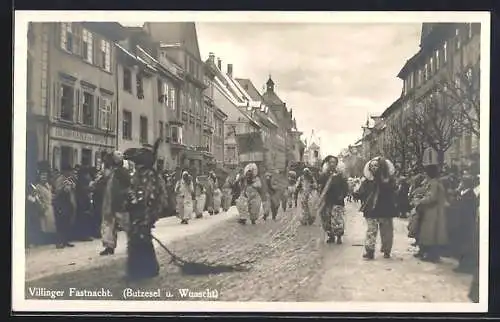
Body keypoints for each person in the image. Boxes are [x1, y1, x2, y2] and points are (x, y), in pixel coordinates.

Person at [123, 142, 164, 280]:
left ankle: (145, 269)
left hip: (143, 213)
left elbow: (149, 196)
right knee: (138, 239)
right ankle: (140, 268)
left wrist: (144, 211)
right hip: (137, 213)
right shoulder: (139, 174)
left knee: (141, 239)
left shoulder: (148, 175)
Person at [355, 156, 398, 259]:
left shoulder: (388, 180)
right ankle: (370, 251)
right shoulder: (367, 181)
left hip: (385, 208)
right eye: (372, 166)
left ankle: (387, 250)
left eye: (376, 166)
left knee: (386, 231)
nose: (374, 168)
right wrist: (356, 193)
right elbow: (361, 193)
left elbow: (393, 191)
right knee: (371, 230)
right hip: (371, 209)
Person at [99, 151, 131, 256]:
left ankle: (135, 244)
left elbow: (127, 187)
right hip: (110, 202)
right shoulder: (112, 172)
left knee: (126, 224)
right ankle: (109, 246)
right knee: (108, 225)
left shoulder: (121, 172)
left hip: (118, 203)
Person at [415, 164, 448, 263]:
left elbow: (431, 197)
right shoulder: (434, 182)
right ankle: (428, 253)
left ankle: (432, 255)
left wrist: (420, 201)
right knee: (431, 233)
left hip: (433, 211)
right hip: (434, 210)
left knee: (432, 234)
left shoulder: (433, 183)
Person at [317, 156, 349, 244]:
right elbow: (320, 186)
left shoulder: (340, 175)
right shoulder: (324, 175)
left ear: (336, 164)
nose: (332, 164)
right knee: (326, 219)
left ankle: (338, 236)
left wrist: (342, 195)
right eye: (330, 162)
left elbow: (345, 187)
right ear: (327, 163)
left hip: (338, 200)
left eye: (334, 162)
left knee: (337, 219)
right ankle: (330, 235)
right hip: (327, 201)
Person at [27, 161, 57, 245]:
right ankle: (44, 240)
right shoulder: (38, 187)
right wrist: (42, 206)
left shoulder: (48, 185)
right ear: (39, 177)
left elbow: (51, 194)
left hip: (50, 207)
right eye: (42, 176)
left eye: (45, 176)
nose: (44, 177)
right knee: (44, 225)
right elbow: (37, 198)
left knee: (51, 225)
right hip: (44, 207)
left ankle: (50, 239)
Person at [453, 175, 479, 273]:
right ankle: (462, 264)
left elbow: (466, 210)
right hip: (462, 222)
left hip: (465, 223)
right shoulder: (465, 193)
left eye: (462, 182)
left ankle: (464, 266)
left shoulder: (469, 195)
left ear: (465, 184)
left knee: (465, 245)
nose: (460, 184)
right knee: (461, 244)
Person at [52, 163, 77, 249]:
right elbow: (57, 191)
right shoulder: (60, 179)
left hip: (67, 203)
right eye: (69, 171)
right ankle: (59, 242)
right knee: (60, 223)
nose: (70, 173)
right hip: (60, 203)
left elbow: (73, 189)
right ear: (65, 171)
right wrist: (64, 187)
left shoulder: (69, 179)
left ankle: (65, 241)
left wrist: (72, 186)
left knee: (66, 222)